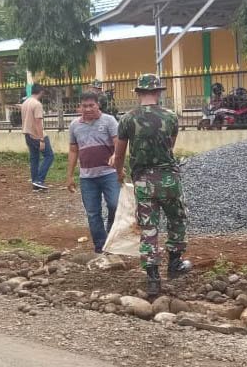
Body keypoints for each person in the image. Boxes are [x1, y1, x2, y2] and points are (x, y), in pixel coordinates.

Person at [112, 74, 191, 297]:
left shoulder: (127, 119)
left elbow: (119, 154)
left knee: (149, 228)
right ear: (158, 92)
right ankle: (175, 263)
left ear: (138, 93)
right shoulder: (171, 117)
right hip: (169, 178)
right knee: (177, 218)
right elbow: (171, 146)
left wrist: (119, 172)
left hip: (143, 181)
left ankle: (153, 278)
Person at [67, 92, 121, 254]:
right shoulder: (74, 125)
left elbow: (119, 143)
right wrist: (69, 176)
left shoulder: (109, 121)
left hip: (109, 174)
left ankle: (111, 235)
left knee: (115, 205)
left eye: (92, 105)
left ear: (98, 105)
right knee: (92, 213)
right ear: (80, 107)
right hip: (87, 178)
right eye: (84, 106)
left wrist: (116, 158)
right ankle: (100, 246)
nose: (88, 109)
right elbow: (73, 149)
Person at [21, 83, 53, 191]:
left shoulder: (25, 102)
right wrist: (41, 139)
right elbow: (38, 122)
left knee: (34, 159)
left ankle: (36, 183)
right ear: (41, 92)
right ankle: (39, 180)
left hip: (27, 134)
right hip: (36, 135)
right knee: (49, 156)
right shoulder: (37, 104)